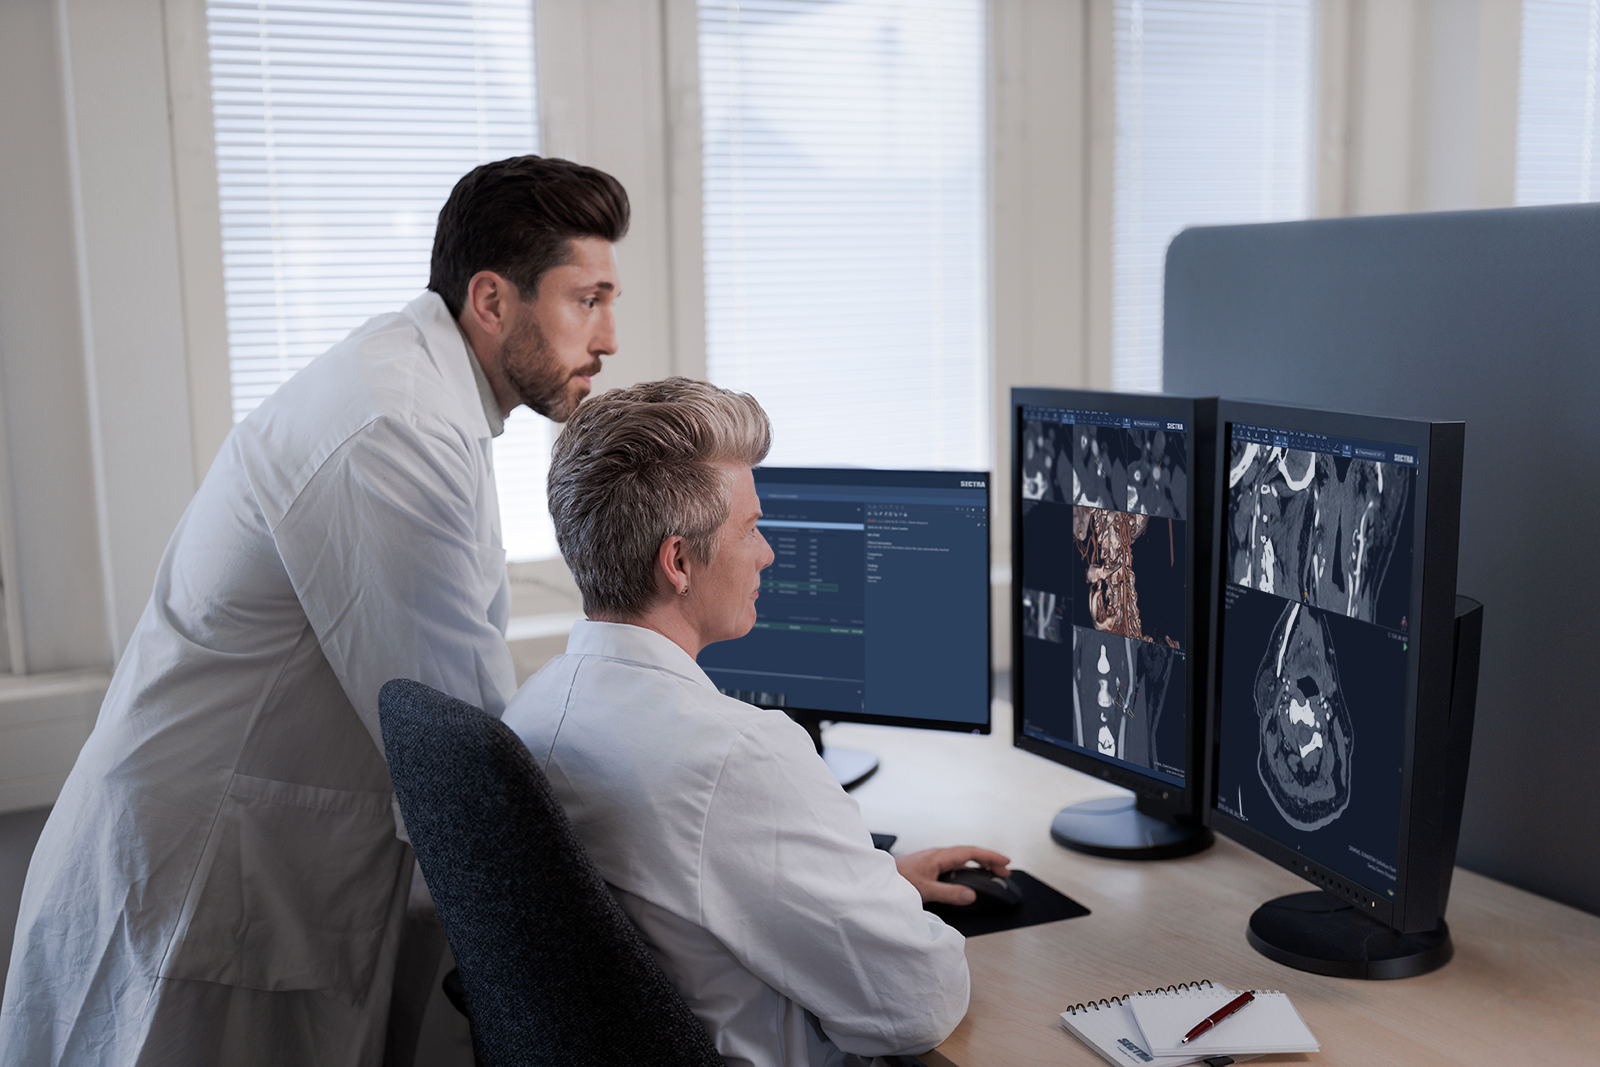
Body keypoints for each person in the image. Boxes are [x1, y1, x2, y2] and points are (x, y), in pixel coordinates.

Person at [0, 155, 628, 1067]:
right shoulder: (395, 426)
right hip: (203, 883)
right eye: (588, 299)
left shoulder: (421, 395)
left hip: (244, 865)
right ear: (492, 300)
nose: (609, 337)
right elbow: (464, 745)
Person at [503, 378, 1011, 1067]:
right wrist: (890, 911)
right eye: (749, 528)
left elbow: (689, 879)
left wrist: (865, 883)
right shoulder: (740, 754)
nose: (767, 552)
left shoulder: (531, 710)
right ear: (679, 562)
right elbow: (916, 1003)